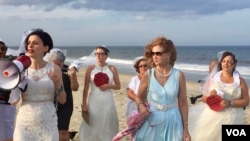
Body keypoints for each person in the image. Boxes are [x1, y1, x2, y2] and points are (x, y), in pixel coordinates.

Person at [11, 29, 66, 140]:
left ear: (45, 48)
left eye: (35, 43)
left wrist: (57, 83)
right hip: (25, 121)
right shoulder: (20, 69)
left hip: (48, 120)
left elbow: (63, 100)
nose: (30, 46)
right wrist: (15, 83)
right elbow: (13, 101)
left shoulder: (54, 69)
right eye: (28, 43)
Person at [134, 36, 191, 141]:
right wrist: (141, 106)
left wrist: (186, 128)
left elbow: (183, 103)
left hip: (173, 120)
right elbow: (138, 97)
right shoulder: (149, 74)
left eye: (158, 53)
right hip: (152, 120)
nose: (155, 56)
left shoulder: (179, 75)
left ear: (169, 54)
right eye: (153, 53)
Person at [189, 51, 249, 141]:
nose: (226, 64)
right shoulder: (213, 78)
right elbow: (204, 98)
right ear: (221, 63)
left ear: (234, 64)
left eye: (229, 62)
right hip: (213, 115)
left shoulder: (240, 81)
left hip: (233, 117)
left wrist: (230, 102)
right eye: (224, 61)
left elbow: (246, 101)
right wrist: (210, 96)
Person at [79, 45, 121, 141]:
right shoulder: (90, 68)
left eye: (101, 54)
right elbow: (85, 88)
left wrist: (108, 86)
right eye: (97, 54)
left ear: (106, 56)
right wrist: (84, 105)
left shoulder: (112, 69)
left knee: (106, 122)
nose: (99, 56)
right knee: (93, 122)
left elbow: (118, 86)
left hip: (107, 99)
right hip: (94, 98)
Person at [45, 48, 79, 141]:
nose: (56, 67)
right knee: (49, 129)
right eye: (54, 64)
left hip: (66, 105)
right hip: (49, 103)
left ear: (63, 63)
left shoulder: (67, 71)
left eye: (59, 64)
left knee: (63, 131)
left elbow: (75, 88)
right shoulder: (46, 72)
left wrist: (73, 76)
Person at [0, 39, 16, 141]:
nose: (0, 51)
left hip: (6, 106)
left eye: (3, 49)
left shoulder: (10, 66)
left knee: (7, 136)